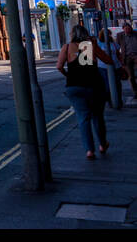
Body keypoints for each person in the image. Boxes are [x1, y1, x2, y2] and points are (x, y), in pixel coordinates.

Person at [56, 23, 115, 160]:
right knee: (97, 117)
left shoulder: (66, 48)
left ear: (72, 35)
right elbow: (108, 60)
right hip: (93, 86)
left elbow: (59, 66)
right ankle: (102, 144)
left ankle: (89, 150)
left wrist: (68, 75)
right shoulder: (89, 45)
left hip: (74, 87)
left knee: (83, 118)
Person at [118, 20, 137, 103]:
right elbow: (118, 46)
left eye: (129, 28)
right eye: (126, 28)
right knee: (131, 76)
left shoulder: (135, 34)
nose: (127, 30)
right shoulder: (120, 36)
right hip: (127, 57)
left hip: (136, 55)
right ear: (123, 29)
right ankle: (135, 92)